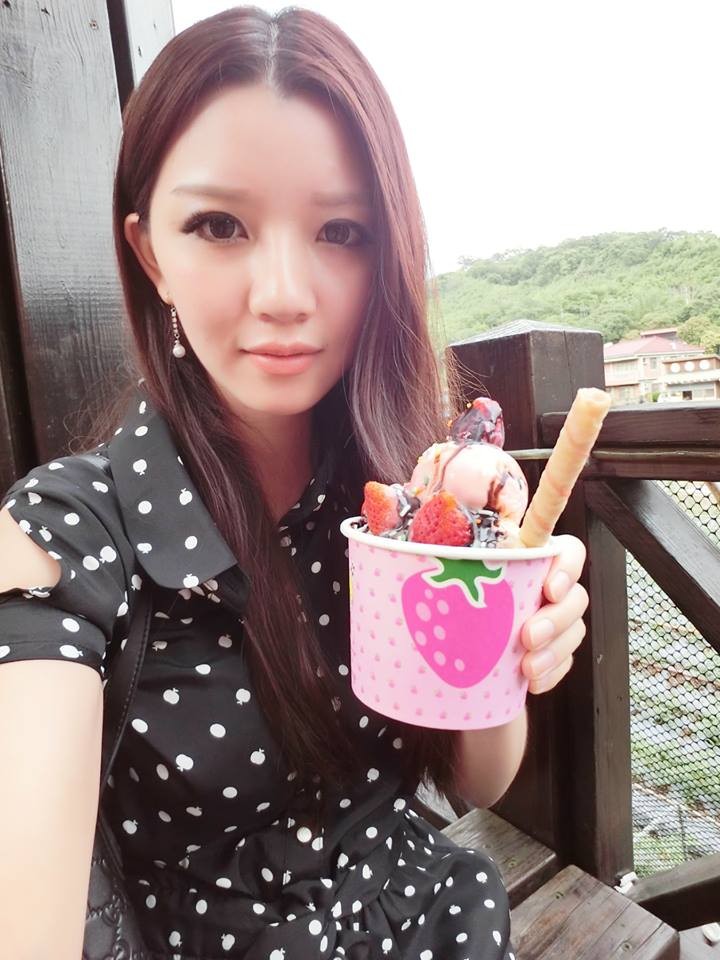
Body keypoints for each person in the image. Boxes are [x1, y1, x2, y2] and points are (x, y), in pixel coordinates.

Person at [0, 6, 588, 959]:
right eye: (219, 224)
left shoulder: (395, 503)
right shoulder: (67, 535)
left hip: (434, 921)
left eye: (340, 230)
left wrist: (506, 648)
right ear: (151, 254)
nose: (283, 293)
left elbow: (477, 781)